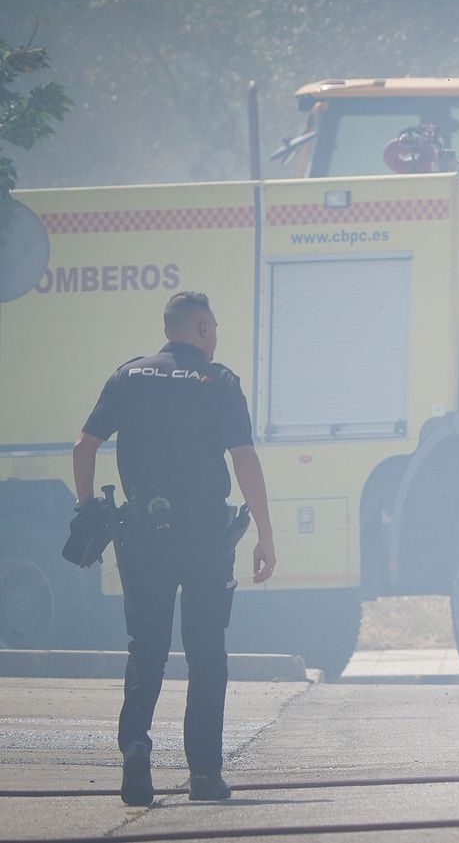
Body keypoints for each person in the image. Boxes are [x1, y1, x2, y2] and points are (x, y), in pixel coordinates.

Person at [71, 292, 276, 806]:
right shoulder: (219, 381)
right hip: (205, 536)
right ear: (204, 327)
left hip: (141, 533)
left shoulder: (129, 376)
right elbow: (244, 458)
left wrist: (88, 506)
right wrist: (266, 535)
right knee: (206, 653)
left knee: (147, 650)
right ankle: (204, 775)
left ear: (169, 329)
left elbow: (84, 446)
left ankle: (137, 755)